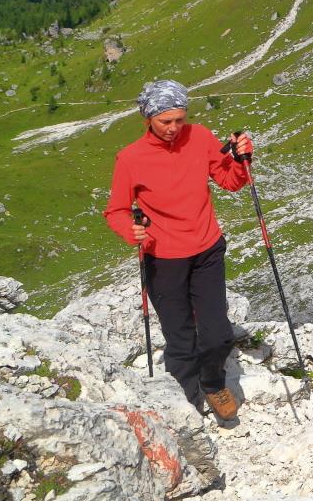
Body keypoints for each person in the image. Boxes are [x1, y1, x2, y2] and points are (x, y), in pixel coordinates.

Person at [105, 79, 254, 420]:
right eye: (165, 122)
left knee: (218, 334)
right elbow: (115, 210)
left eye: (179, 120)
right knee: (180, 337)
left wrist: (243, 158)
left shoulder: (199, 137)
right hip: (162, 259)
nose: (173, 128)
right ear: (148, 120)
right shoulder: (130, 158)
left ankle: (213, 383)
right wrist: (131, 230)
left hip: (207, 250)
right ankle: (187, 405)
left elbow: (229, 181)